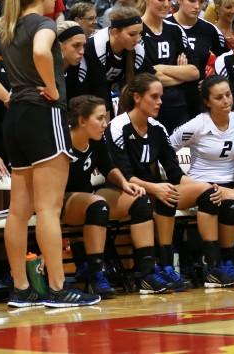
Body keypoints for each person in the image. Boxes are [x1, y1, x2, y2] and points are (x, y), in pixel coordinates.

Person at [0, 0, 99, 307]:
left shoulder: (9, 28)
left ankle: (21, 289)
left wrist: (6, 96)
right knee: (47, 208)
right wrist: (54, 88)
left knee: (18, 210)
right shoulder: (43, 25)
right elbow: (43, 53)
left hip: (15, 119)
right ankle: (57, 289)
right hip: (44, 114)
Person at [170, 76, 234, 285]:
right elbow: (167, 147)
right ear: (208, 102)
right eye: (219, 97)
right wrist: (184, 180)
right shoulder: (197, 124)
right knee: (224, 199)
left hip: (230, 182)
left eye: (228, 95)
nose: (226, 100)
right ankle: (216, 265)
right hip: (200, 186)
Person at [62, 95, 169, 296]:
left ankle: (146, 274)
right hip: (58, 201)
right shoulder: (63, 142)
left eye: (106, 117)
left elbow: (108, 167)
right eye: (100, 118)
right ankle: (96, 275)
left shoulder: (96, 139)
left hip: (86, 197)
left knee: (140, 201)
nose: (105, 124)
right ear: (82, 120)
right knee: (97, 204)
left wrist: (125, 184)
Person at [105, 74, 194, 291]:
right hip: (120, 190)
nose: (160, 102)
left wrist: (194, 184)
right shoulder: (118, 127)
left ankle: (169, 266)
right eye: (154, 97)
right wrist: (155, 188)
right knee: (146, 199)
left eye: (161, 97)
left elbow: (173, 171)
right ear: (137, 97)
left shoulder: (157, 128)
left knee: (200, 192)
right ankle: (146, 273)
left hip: (150, 190)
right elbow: (122, 175)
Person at [139, 0, 199, 131]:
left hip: (179, 108)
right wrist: (180, 74)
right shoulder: (137, 31)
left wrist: (161, 68)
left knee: (182, 155)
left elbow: (193, 72)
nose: (166, 4)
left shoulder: (174, 29)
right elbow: (147, 77)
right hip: (148, 110)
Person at [81, 6, 153, 114]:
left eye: (140, 33)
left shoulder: (137, 48)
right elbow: (99, 89)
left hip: (105, 91)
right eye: (132, 34)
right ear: (114, 32)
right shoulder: (97, 45)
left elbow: (143, 82)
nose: (138, 39)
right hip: (83, 92)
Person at [169, 0, 227, 112]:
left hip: (200, 100)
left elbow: (227, 60)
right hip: (169, 97)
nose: (197, 6)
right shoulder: (165, 26)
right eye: (191, 0)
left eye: (201, 1)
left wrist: (212, 78)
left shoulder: (210, 30)